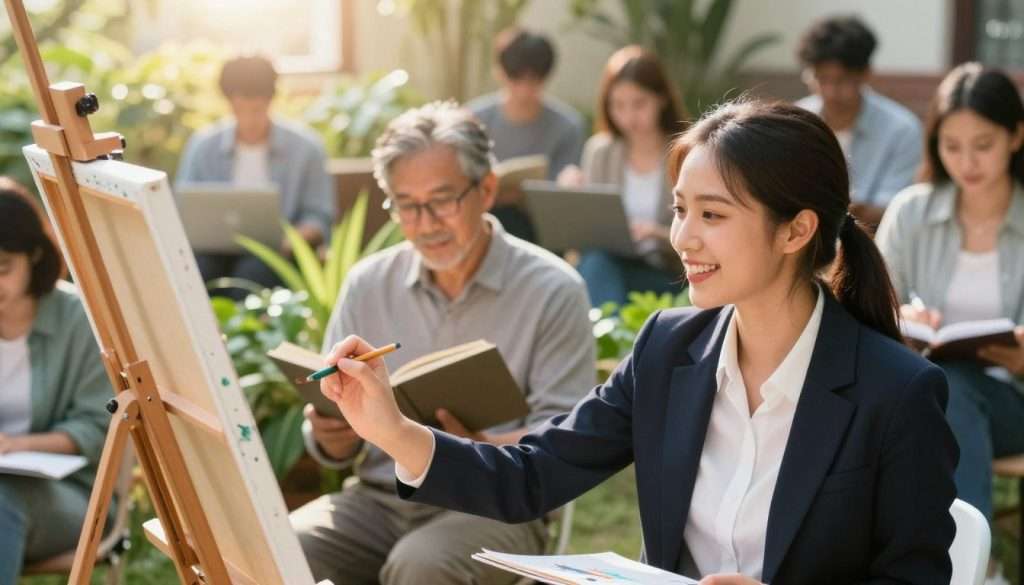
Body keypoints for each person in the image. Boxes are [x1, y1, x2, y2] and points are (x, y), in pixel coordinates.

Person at [316, 100, 959, 585]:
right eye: (680, 210)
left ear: (796, 231)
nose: (683, 239)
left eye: (713, 215)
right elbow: (531, 476)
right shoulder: (668, 350)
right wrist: (391, 428)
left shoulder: (896, 393)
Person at [289, 102, 595, 585]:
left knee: (422, 565)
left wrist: (480, 452)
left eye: (442, 200)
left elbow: (566, 440)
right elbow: (335, 436)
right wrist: (332, 434)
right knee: (282, 550)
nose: (426, 223)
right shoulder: (368, 282)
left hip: (493, 503)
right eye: (406, 205)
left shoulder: (553, 289)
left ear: (487, 189)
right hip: (378, 498)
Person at [876, 63, 1024, 523]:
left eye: (983, 146)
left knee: (950, 388)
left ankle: (968, 565)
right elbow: (865, 309)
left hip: (1012, 405)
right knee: (938, 390)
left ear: (1015, 137)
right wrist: (903, 318)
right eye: (952, 146)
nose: (967, 163)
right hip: (919, 396)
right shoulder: (910, 212)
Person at [0, 178, 111, 585]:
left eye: (2, 269)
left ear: (33, 254)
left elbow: (99, 427)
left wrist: (16, 446)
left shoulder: (81, 320)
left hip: (73, 495)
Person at [176, 54, 335, 291]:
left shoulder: (307, 149)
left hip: (277, 254)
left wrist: (290, 241)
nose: (249, 119)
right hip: (213, 251)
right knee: (196, 274)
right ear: (229, 103)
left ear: (271, 101)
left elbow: (319, 215)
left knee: (250, 276)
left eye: (257, 109)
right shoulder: (203, 146)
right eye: (240, 108)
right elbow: (184, 209)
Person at [559, 45, 687, 307]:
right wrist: (571, 198)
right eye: (618, 106)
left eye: (639, 104)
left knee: (595, 270)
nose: (628, 117)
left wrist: (658, 235)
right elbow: (588, 232)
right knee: (595, 262)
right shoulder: (601, 151)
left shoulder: (687, 152)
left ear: (661, 98)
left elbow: (703, 232)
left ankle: (605, 341)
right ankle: (608, 340)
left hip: (665, 272)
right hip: (608, 264)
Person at [795, 15, 922, 227]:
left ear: (865, 74)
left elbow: (898, 206)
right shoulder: (794, 121)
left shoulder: (901, 130)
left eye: (841, 80)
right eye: (821, 79)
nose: (830, 92)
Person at [467, 28, 585, 242]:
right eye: (516, 79)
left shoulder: (568, 126)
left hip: (539, 225)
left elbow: (563, 193)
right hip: (483, 218)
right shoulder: (474, 118)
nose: (524, 90)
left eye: (533, 80)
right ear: (499, 72)